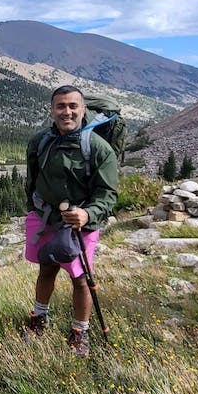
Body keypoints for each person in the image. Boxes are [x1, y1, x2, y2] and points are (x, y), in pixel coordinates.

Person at [23, 85, 118, 356]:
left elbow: (108, 194)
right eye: (61, 106)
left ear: (83, 109)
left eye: (73, 106)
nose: (67, 111)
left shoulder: (98, 148)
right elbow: (33, 178)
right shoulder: (40, 142)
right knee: (46, 269)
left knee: (81, 278)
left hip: (81, 223)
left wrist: (88, 214)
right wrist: (34, 207)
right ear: (52, 111)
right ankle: (38, 319)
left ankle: (80, 331)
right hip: (46, 218)